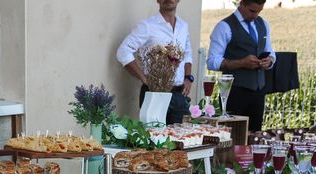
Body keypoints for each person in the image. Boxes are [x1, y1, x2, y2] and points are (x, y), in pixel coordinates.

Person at [116, 0, 194, 124]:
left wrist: (188, 78)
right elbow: (123, 51)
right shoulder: (147, 26)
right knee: (155, 140)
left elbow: (188, 53)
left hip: (179, 96)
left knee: (181, 140)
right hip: (154, 95)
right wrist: (144, 78)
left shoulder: (183, 26)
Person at [207, 0, 275, 132]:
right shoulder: (224, 26)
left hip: (258, 91)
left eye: (259, 11)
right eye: (252, 11)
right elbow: (212, 61)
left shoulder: (263, 24)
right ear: (242, 4)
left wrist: (269, 61)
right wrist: (241, 63)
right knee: (232, 134)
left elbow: (270, 51)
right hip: (234, 91)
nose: (255, 15)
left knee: (254, 134)